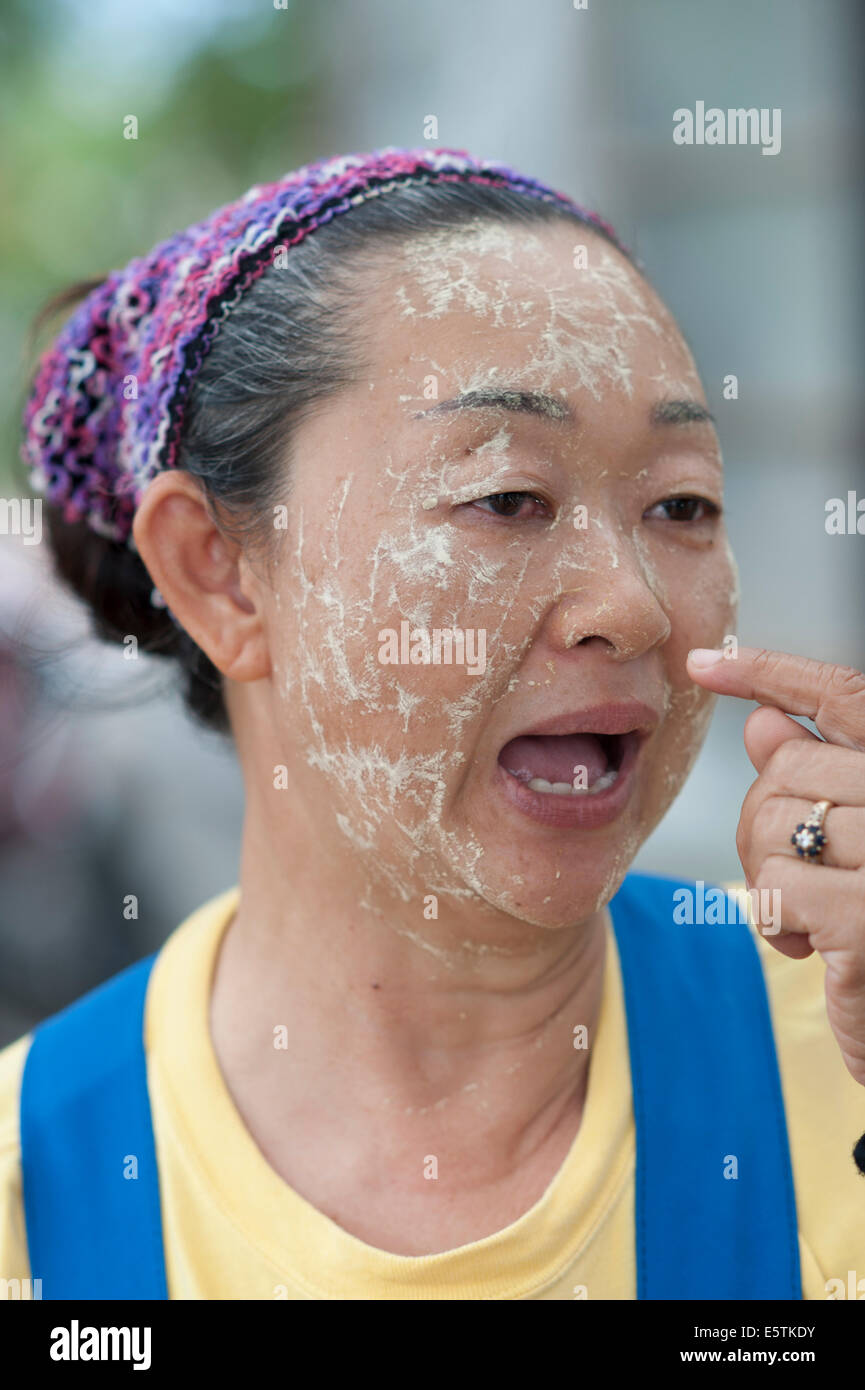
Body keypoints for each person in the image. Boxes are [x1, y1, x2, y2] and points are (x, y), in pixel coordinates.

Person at [1, 146, 863, 1301]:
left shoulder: (841, 1047)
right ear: (220, 576)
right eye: (506, 497)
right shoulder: (32, 1201)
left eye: (680, 503)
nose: (633, 605)